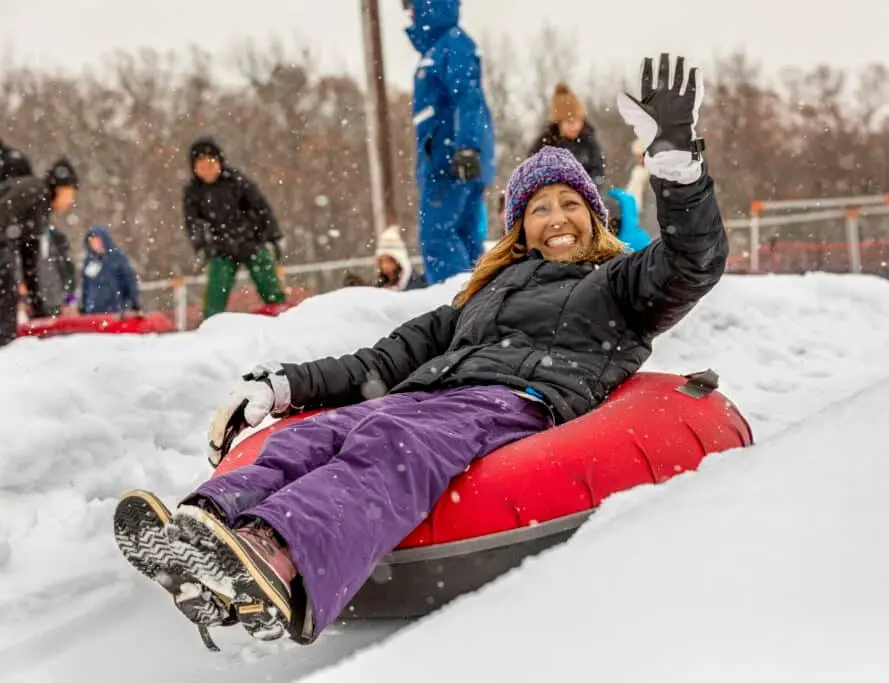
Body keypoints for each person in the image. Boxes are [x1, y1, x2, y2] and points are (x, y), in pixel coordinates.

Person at [113, 53, 722, 650]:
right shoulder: (477, 300)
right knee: (309, 440)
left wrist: (675, 166)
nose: (557, 217)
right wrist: (281, 387)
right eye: (539, 207)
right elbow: (380, 362)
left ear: (595, 217)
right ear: (519, 227)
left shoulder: (617, 283)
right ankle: (204, 532)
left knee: (393, 448)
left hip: (507, 403)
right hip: (422, 398)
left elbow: (692, 261)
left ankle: (277, 554)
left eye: (571, 204)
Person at [402, 0, 496, 285]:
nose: (408, 13)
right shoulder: (438, 48)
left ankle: (454, 306)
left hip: (450, 164)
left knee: (438, 236)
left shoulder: (451, 44)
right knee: (466, 238)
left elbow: (469, 97)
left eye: (411, 5)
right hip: (447, 161)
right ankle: (479, 303)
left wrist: (467, 147)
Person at [182, 137, 286, 320]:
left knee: (267, 279)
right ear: (194, 169)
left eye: (210, 164)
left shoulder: (237, 181)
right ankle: (211, 322)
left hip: (251, 240)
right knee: (216, 288)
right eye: (202, 166)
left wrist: (273, 237)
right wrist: (201, 246)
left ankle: (280, 312)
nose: (207, 170)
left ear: (220, 163)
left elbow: (261, 208)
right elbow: (193, 223)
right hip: (221, 247)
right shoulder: (193, 192)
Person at [0, 158, 78, 346]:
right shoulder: (36, 192)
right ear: (60, 188)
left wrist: (39, 310)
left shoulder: (35, 203)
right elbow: (3, 213)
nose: (71, 202)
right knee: (7, 290)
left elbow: (30, 263)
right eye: (71, 194)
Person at [528, 82, 607, 190]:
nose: (575, 126)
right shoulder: (545, 144)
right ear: (559, 123)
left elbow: (598, 169)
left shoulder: (588, 141)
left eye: (578, 121)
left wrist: (588, 187)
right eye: (569, 122)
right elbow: (533, 172)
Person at [79, 224, 142, 315]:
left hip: (115, 310)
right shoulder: (89, 260)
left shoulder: (117, 257)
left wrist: (134, 301)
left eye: (97, 241)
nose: (94, 244)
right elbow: (86, 286)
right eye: (92, 241)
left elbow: (129, 280)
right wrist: (83, 305)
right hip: (93, 311)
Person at [35, 224, 77, 317]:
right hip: (41, 299)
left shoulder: (58, 240)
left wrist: (69, 299)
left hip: (58, 299)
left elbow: (68, 271)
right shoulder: (32, 240)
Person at [373, 225, 427, 291]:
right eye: (381, 261)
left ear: (399, 261)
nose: (385, 265)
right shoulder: (377, 288)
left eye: (389, 261)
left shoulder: (419, 286)